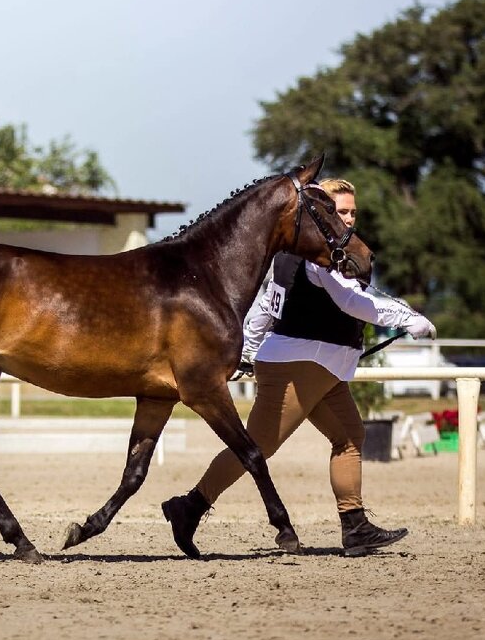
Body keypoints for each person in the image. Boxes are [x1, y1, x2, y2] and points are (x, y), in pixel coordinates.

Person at [161, 178, 436, 558]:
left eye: (353, 212)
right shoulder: (320, 258)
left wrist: (249, 352)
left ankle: (355, 526)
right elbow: (351, 302)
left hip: (320, 365)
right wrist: (409, 320)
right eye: (341, 212)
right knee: (256, 447)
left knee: (350, 437)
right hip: (302, 362)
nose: (349, 219)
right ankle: (189, 507)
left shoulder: (305, 256)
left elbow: (263, 310)